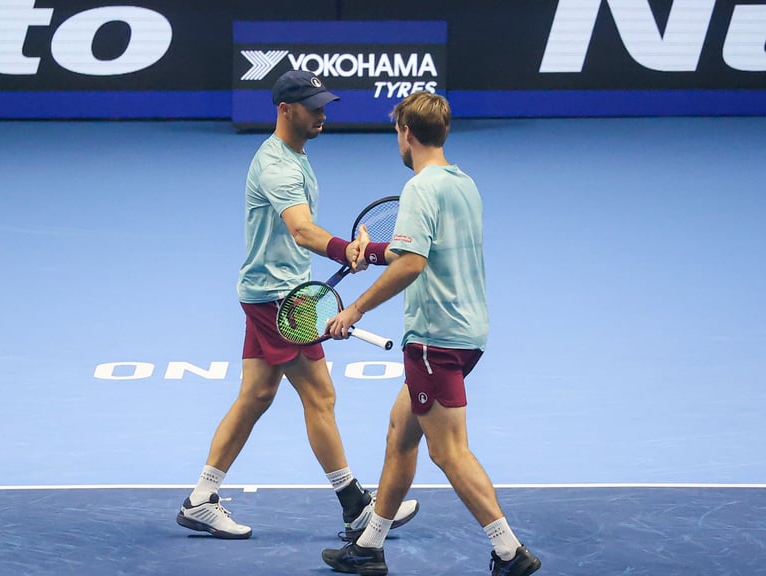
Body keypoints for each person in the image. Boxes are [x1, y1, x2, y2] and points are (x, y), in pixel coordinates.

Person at [176, 70, 419, 540]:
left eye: (324, 105)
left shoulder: (294, 155)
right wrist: (348, 250)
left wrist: (347, 251)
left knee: (256, 395)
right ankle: (355, 508)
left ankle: (201, 499)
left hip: (273, 289)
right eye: (313, 107)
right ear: (285, 110)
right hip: (278, 298)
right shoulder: (279, 168)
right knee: (320, 396)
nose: (322, 114)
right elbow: (302, 230)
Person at [319, 92, 541, 576]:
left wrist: (354, 309)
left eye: (397, 133)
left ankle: (510, 552)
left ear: (406, 133)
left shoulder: (419, 189)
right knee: (401, 433)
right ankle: (370, 546)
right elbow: (414, 250)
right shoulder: (463, 184)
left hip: (433, 340)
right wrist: (367, 251)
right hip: (468, 331)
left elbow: (412, 264)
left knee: (448, 450)